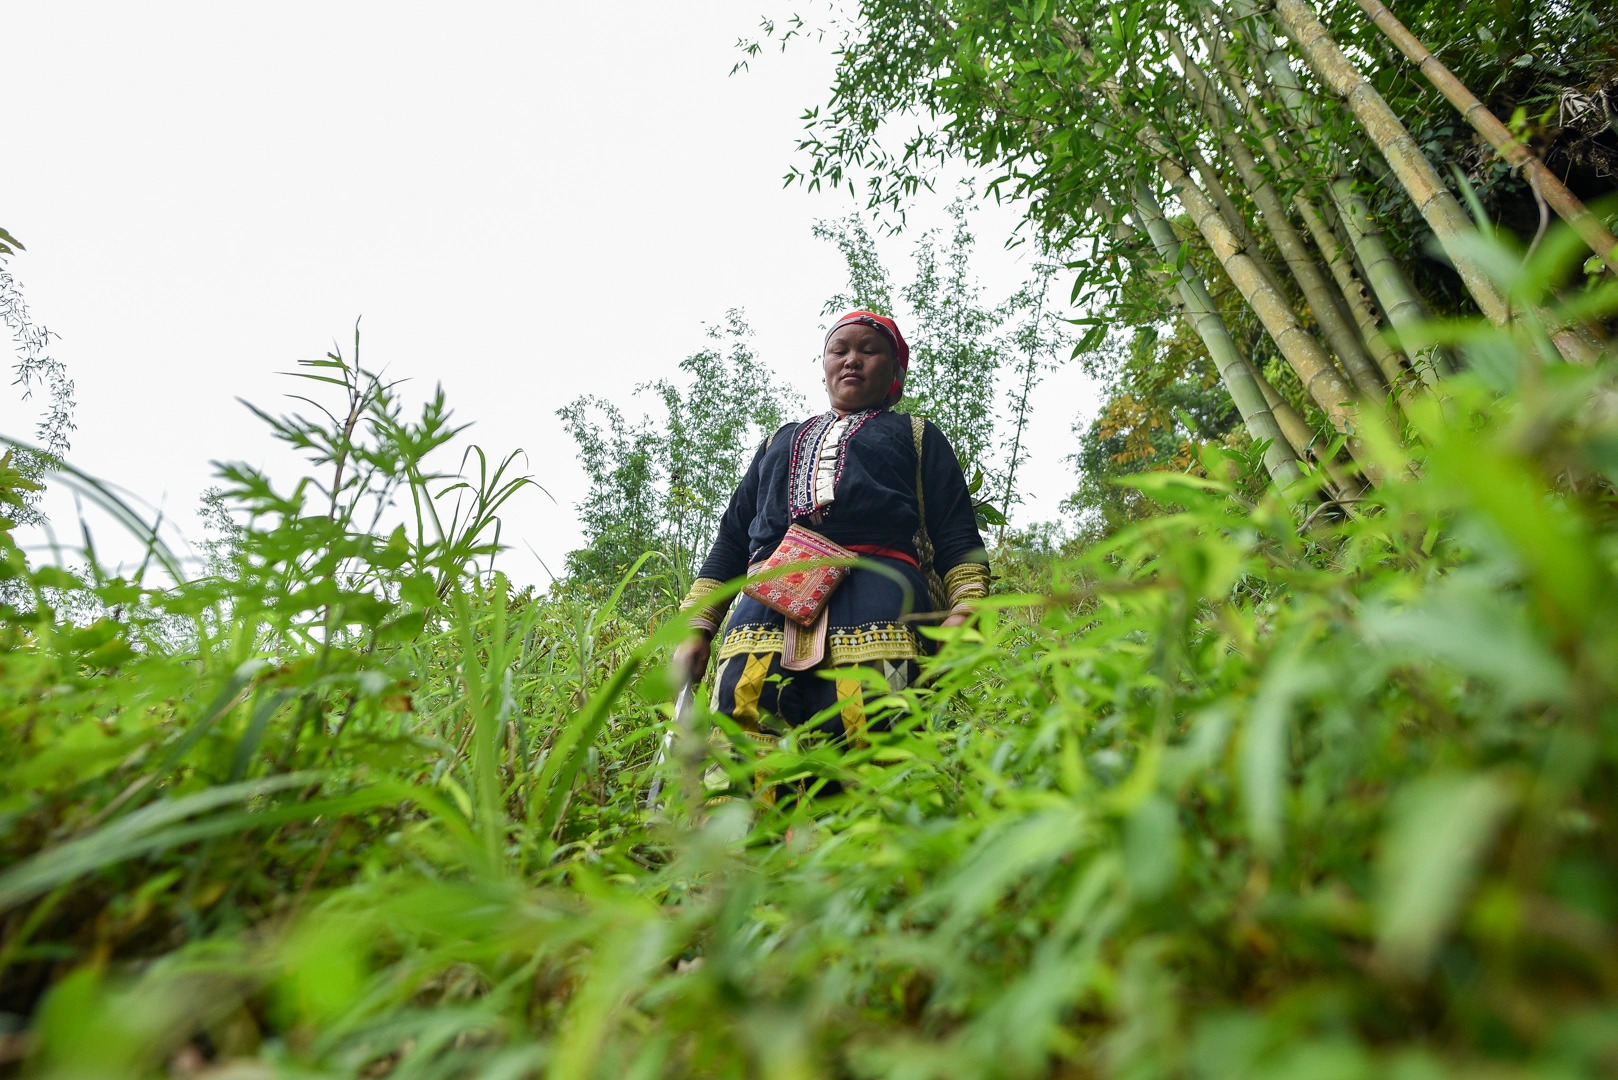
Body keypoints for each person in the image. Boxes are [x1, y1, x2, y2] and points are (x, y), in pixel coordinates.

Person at [674, 311, 990, 785]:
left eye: (869, 350)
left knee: (875, 743)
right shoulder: (777, 442)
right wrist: (697, 627)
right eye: (839, 350)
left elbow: (955, 533)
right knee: (743, 745)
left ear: (895, 372)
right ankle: (740, 858)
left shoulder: (916, 435)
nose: (851, 360)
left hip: (880, 600)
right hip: (763, 610)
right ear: (822, 366)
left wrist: (967, 608)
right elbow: (733, 539)